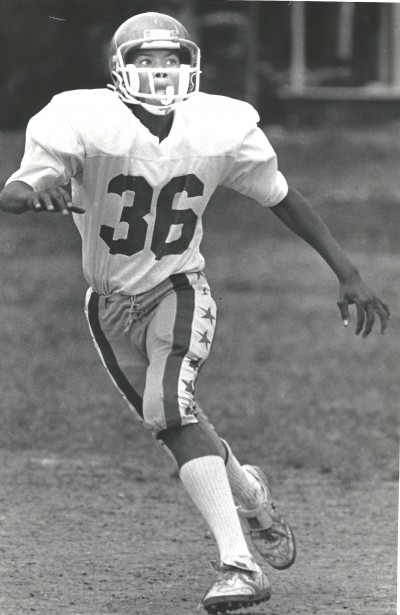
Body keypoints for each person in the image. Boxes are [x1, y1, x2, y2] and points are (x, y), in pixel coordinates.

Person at [0, 12, 390, 614]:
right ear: (119, 70)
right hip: (107, 304)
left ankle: (239, 566)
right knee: (171, 421)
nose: (161, 72)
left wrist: (347, 271)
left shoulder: (219, 125)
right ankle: (249, 490)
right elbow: (19, 188)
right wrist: (31, 194)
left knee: (168, 407)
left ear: (191, 67)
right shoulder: (80, 117)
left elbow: (280, 195)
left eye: (171, 60)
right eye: (147, 61)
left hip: (178, 287)